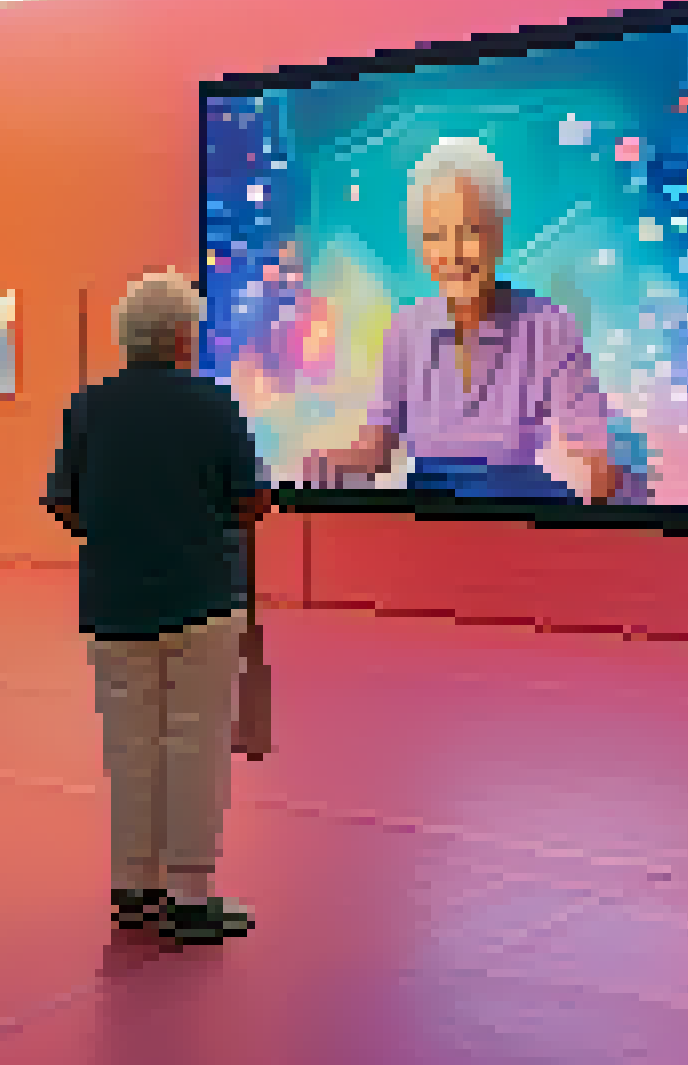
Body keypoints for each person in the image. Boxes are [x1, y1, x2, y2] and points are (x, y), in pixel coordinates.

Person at [45, 273, 269, 946]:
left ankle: (132, 887)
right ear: (181, 336)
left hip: (113, 602)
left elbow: (61, 501)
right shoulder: (212, 403)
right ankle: (190, 895)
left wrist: (111, 531)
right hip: (201, 599)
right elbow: (253, 497)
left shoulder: (87, 406)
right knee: (196, 744)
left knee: (128, 746)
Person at [302, 137, 619, 501]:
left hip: (517, 512)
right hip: (429, 514)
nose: (453, 254)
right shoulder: (407, 329)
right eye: (436, 237)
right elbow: (379, 447)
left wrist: (597, 525)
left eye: (469, 231)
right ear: (421, 248)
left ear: (498, 233)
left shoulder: (548, 325)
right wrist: (337, 463)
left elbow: (596, 453)